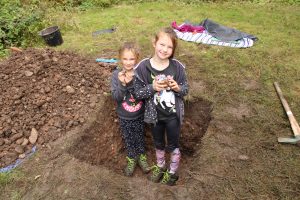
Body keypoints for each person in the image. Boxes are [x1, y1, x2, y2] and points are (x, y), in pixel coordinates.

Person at [134, 27, 189, 186]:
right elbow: (137, 93)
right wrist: (153, 88)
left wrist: (177, 87)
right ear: (154, 43)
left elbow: (185, 89)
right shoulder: (143, 67)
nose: (165, 50)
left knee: (173, 144)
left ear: (173, 49)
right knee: (158, 142)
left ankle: (172, 171)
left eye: (169, 47)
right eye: (162, 45)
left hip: (173, 117)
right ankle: (160, 165)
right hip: (154, 117)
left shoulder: (177, 67)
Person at [111, 42, 150, 176]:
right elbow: (116, 97)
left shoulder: (140, 74)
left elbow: (142, 94)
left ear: (137, 59)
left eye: (132, 59)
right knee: (128, 138)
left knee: (139, 136)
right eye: (125, 59)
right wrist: (123, 84)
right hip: (124, 116)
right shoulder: (116, 75)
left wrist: (132, 82)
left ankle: (142, 157)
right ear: (120, 59)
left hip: (139, 114)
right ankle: (132, 159)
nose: (128, 62)